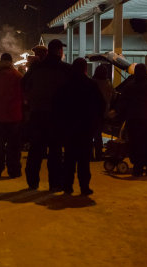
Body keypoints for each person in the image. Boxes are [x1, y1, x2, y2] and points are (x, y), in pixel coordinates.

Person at [23, 39, 71, 191]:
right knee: (55, 151)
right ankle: (55, 183)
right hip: (57, 116)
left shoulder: (36, 68)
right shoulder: (65, 69)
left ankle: (32, 182)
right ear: (59, 51)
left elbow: (24, 84)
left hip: (37, 114)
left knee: (35, 149)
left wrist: (31, 97)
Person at [57, 58, 105, 195]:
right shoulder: (91, 85)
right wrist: (96, 122)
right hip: (86, 128)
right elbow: (100, 105)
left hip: (69, 128)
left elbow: (58, 106)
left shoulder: (65, 85)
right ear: (85, 69)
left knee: (69, 159)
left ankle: (67, 186)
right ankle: (84, 186)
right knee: (84, 160)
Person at [117, 63, 147, 176]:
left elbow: (123, 103)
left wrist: (120, 115)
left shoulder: (129, 87)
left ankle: (138, 166)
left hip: (134, 120)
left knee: (135, 143)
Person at [92, 64, 114, 161]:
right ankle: (99, 154)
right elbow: (112, 96)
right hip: (103, 112)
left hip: (92, 111)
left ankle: (89, 154)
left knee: (90, 134)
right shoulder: (108, 84)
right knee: (98, 134)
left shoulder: (92, 82)